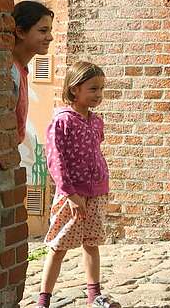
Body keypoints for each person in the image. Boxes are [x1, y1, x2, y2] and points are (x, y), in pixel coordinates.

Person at [37, 61, 119, 308]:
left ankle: (95, 296)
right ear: (74, 89)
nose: (99, 95)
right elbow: (55, 160)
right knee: (58, 245)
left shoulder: (96, 122)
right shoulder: (62, 121)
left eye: (101, 89)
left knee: (92, 243)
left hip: (97, 193)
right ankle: (43, 301)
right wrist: (70, 193)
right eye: (93, 89)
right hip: (71, 196)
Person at [11, 1, 54, 145]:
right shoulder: (10, 72)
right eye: (43, 31)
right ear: (21, 32)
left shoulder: (20, 69)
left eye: (50, 31)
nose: (50, 37)